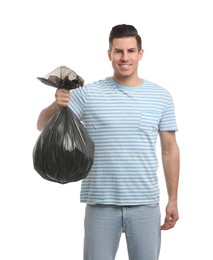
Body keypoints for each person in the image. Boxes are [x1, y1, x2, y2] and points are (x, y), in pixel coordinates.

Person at [37, 24, 180, 260]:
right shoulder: (87, 94)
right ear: (109, 54)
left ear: (140, 54)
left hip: (145, 204)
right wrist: (57, 103)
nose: (125, 58)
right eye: (119, 51)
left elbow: (169, 151)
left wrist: (173, 199)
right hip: (100, 203)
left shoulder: (161, 97)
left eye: (131, 51)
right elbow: (42, 125)